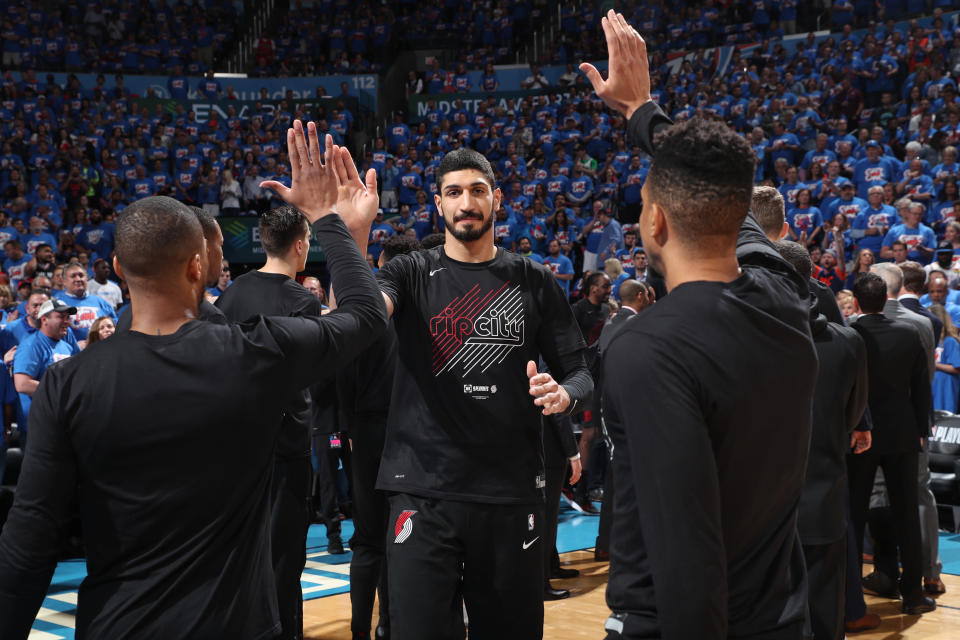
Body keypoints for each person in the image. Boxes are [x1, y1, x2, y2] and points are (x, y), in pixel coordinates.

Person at [0, 123, 387, 638]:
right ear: (198, 265)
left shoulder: (67, 384)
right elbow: (365, 313)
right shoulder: (256, 353)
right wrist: (330, 223)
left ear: (117, 267)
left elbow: (27, 547)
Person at [581, 11, 817, 638]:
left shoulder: (646, 349)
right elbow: (728, 208)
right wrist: (643, 114)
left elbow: (687, 560)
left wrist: (640, 111)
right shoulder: (788, 302)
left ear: (654, 224)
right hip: (783, 619)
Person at [371, 146, 592, 640]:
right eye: (454, 193)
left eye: (476, 191)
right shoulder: (408, 273)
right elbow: (364, 317)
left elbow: (580, 370)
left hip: (511, 492)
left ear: (497, 198)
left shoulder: (533, 280)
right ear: (437, 204)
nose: (466, 202)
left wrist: (565, 395)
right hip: (422, 491)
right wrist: (344, 233)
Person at [214, 204, 324, 640]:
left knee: (239, 551)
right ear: (300, 246)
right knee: (284, 557)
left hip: (234, 447)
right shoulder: (302, 302)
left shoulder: (232, 294)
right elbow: (316, 371)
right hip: (285, 445)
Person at [774, 240, 869, 640]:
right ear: (812, 277)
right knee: (827, 615)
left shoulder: (744, 337)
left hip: (761, 507)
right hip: (823, 494)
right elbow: (852, 417)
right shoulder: (849, 342)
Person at [338, 233, 420, 640]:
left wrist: (348, 428)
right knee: (405, 534)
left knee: (368, 539)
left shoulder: (366, 307)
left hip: (368, 430)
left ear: (383, 262)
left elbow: (342, 372)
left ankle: (359, 631)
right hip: (414, 434)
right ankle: (393, 624)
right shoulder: (428, 306)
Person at [849, 273, 936, 615]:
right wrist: (920, 428)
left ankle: (851, 598)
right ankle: (913, 595)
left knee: (853, 516)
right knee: (907, 515)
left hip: (861, 435)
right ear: (887, 298)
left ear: (855, 302)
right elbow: (921, 388)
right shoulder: (908, 332)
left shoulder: (850, 334)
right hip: (902, 433)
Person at [116, 207, 227, 330]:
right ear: (204, 247)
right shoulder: (209, 318)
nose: (222, 255)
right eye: (220, 244)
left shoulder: (129, 315)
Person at [11, 298, 81, 449]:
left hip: (62, 422)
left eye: (67, 317)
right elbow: (22, 384)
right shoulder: (31, 345)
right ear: (44, 319)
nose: (66, 321)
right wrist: (63, 392)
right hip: (38, 426)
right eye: (60, 317)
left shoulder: (66, 346)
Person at [570, 270, 611, 515]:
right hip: (583, 378)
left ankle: (582, 486)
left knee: (594, 435)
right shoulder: (577, 309)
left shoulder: (607, 311)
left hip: (601, 378)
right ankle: (581, 492)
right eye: (605, 286)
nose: (609, 289)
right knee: (588, 434)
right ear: (593, 288)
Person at [54, 262, 117, 340]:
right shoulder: (57, 303)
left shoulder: (101, 303)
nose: (78, 279)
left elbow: (114, 327)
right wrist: (74, 346)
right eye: (73, 276)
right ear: (64, 281)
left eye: (81, 275)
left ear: (86, 279)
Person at [929, 303, 960, 413]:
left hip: (946, 389)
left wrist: (935, 365)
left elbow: (957, 368)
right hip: (933, 387)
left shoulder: (950, 341)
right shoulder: (930, 341)